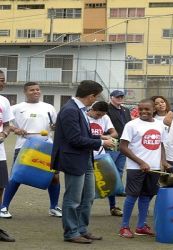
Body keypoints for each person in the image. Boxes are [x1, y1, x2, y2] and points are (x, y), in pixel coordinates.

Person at [51, 80, 115, 244]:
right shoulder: (70, 110)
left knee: (88, 197)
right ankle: (71, 232)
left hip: (84, 158)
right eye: (97, 96)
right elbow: (75, 139)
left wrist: (99, 137)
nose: (96, 99)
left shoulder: (79, 109)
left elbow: (82, 136)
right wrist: (101, 143)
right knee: (73, 199)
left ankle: (81, 229)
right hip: (74, 159)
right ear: (91, 95)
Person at [1, 82, 60, 219]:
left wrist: (54, 126)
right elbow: (7, 125)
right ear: (25, 92)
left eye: (38, 90)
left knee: (54, 177)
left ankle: (54, 207)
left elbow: (56, 125)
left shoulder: (49, 107)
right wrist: (16, 129)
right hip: (24, 146)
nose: (36, 92)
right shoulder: (16, 108)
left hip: (46, 146)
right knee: (16, 177)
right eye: (32, 90)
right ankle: (4, 207)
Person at [118, 99, 169, 238]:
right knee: (132, 196)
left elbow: (161, 144)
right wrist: (140, 162)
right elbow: (122, 147)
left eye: (147, 109)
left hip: (154, 168)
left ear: (154, 109)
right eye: (141, 109)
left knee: (146, 196)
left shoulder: (160, 125)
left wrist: (163, 160)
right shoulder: (131, 125)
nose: (143, 112)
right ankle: (124, 226)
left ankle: (141, 226)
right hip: (136, 168)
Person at [86, 101, 122, 217]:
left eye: (102, 115)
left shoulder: (105, 117)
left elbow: (115, 133)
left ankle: (113, 207)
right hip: (86, 154)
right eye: (98, 115)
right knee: (88, 184)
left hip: (101, 154)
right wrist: (102, 137)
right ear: (92, 110)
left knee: (110, 179)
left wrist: (108, 137)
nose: (100, 117)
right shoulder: (83, 117)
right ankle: (85, 209)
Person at [107, 90, 132, 188]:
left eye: (121, 97)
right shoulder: (107, 109)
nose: (120, 98)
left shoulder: (126, 110)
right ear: (111, 97)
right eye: (117, 97)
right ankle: (109, 188)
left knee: (120, 167)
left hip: (124, 142)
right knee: (110, 166)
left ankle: (118, 188)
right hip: (113, 141)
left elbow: (129, 124)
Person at [0, 69, 14, 242]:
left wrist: (3, 135)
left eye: (2, 80)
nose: (1, 82)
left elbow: (7, 125)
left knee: (0, 187)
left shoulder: (4, 101)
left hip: (0, 154)